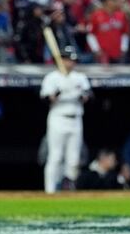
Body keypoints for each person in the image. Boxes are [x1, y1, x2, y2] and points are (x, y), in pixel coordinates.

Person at [39, 50, 91, 193]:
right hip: (58, 118)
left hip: (76, 118)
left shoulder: (79, 77)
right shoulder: (52, 77)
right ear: (61, 60)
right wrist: (59, 91)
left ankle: (69, 189)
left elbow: (89, 96)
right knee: (55, 156)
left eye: (72, 60)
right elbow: (45, 99)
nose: (70, 63)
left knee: (73, 158)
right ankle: (49, 191)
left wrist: (78, 92)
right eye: (67, 59)